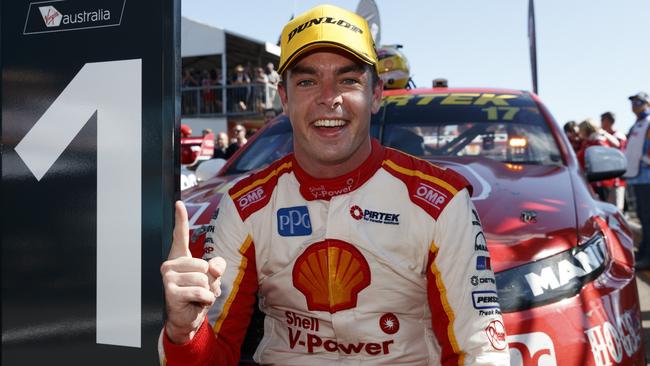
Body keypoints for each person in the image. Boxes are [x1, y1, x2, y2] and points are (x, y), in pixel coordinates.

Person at [160, 4, 509, 365]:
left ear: (375, 95)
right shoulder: (245, 204)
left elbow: (478, 352)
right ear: (284, 98)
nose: (329, 98)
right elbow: (210, 356)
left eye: (348, 79)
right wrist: (184, 333)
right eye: (308, 81)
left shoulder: (441, 201)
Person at [623, 92, 650, 269]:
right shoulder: (637, 124)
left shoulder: (648, 122)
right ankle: (643, 251)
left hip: (647, 177)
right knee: (643, 217)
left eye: (638, 102)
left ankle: (648, 256)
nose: (634, 105)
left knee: (648, 218)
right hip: (636, 178)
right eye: (632, 102)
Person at [600, 111, 627, 210]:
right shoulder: (604, 136)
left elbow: (618, 149)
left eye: (602, 120)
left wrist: (605, 134)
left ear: (608, 121)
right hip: (606, 178)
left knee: (617, 209)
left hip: (617, 178)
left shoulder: (618, 135)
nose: (601, 123)